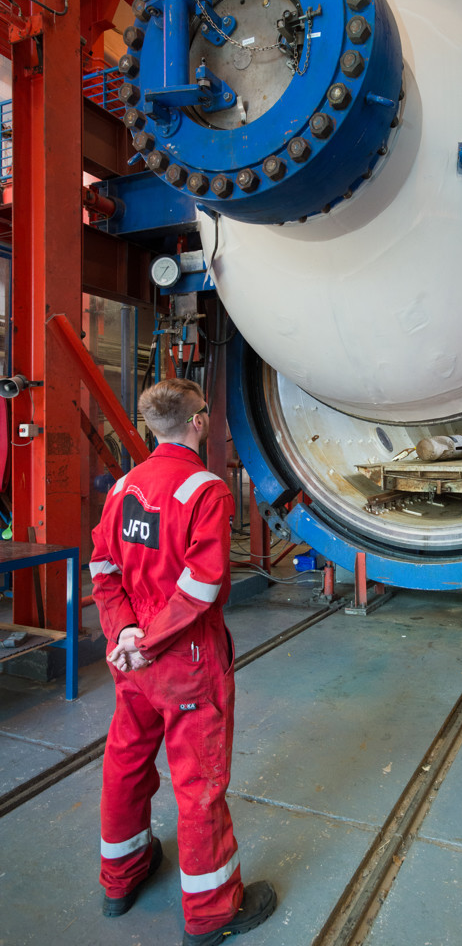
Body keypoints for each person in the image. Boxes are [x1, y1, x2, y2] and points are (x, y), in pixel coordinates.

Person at [90, 378, 276, 945]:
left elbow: (103, 569)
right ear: (198, 423)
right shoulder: (206, 492)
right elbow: (200, 586)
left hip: (131, 658)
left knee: (125, 760)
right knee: (198, 781)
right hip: (185, 658)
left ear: (152, 427)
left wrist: (125, 633)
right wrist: (152, 640)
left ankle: (120, 878)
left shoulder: (123, 487)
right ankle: (213, 910)